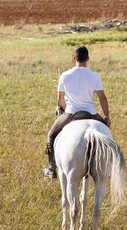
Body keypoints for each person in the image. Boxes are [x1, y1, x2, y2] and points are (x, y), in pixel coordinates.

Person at [43, 46, 111, 179]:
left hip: (71, 113)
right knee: (107, 136)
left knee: (51, 136)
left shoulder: (65, 75)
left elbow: (60, 99)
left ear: (74, 58)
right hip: (91, 113)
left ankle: (51, 168)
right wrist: (107, 117)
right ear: (88, 59)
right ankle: (108, 167)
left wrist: (67, 108)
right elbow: (102, 98)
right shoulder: (94, 76)